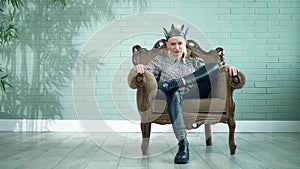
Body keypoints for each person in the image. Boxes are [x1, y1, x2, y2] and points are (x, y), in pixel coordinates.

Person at [133, 24, 239, 164]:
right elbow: (148, 74)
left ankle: (177, 82)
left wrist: (227, 68)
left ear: (185, 44)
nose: (176, 47)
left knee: (213, 66)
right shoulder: (159, 61)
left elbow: (213, 71)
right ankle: (183, 145)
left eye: (180, 44)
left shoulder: (194, 62)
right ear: (167, 45)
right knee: (173, 92)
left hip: (195, 92)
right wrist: (140, 68)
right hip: (171, 94)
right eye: (173, 44)